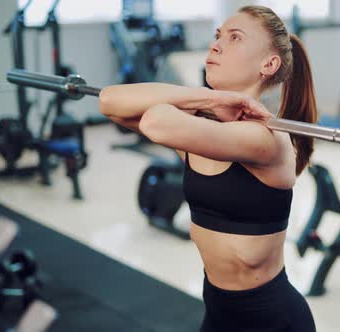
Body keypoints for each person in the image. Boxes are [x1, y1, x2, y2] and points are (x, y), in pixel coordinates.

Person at [99, 5, 317, 332]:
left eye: (234, 38)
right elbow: (109, 101)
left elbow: (157, 121)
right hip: (218, 314)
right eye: (217, 36)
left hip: (273, 321)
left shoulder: (265, 138)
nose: (215, 45)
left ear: (268, 64)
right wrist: (210, 100)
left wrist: (201, 100)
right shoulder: (204, 129)